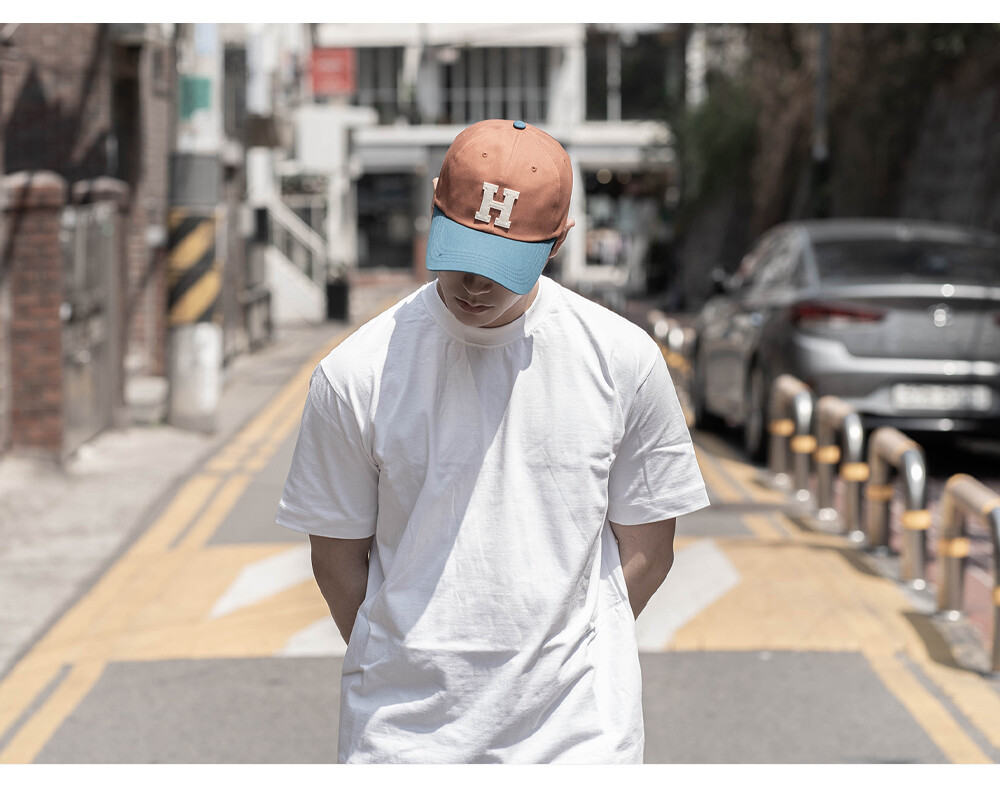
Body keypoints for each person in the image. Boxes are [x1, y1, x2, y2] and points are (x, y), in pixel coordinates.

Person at [276, 119, 710, 764]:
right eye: (462, 251)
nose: (476, 283)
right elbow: (337, 560)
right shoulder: (356, 373)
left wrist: (569, 656)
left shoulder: (623, 361)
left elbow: (649, 548)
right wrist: (400, 660)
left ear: (558, 242)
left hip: (578, 740)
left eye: (503, 263)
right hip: (402, 741)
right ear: (433, 208)